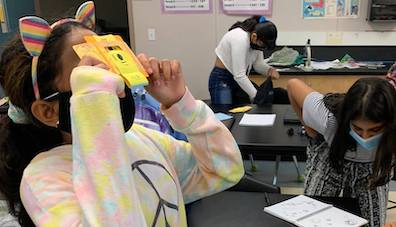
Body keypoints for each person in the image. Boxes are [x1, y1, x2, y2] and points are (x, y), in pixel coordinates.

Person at [0, 2, 244, 226]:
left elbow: (224, 171)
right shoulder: (44, 179)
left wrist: (182, 105)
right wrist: (95, 102)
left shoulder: (143, 138)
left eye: (109, 60)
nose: (113, 79)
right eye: (92, 71)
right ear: (47, 110)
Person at [287, 77, 396, 227]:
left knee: (372, 223)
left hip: (374, 167)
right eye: (357, 128)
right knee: (312, 219)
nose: (364, 137)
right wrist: (309, 127)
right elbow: (293, 85)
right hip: (332, 159)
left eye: (374, 130)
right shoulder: (328, 118)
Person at [208, 15, 287, 105]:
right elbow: (239, 75)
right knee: (225, 115)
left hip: (238, 80)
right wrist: (256, 96)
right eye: (262, 45)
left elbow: (258, 64)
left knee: (239, 114)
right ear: (254, 36)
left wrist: (269, 70)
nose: (262, 48)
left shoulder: (256, 40)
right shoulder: (240, 38)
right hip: (222, 79)